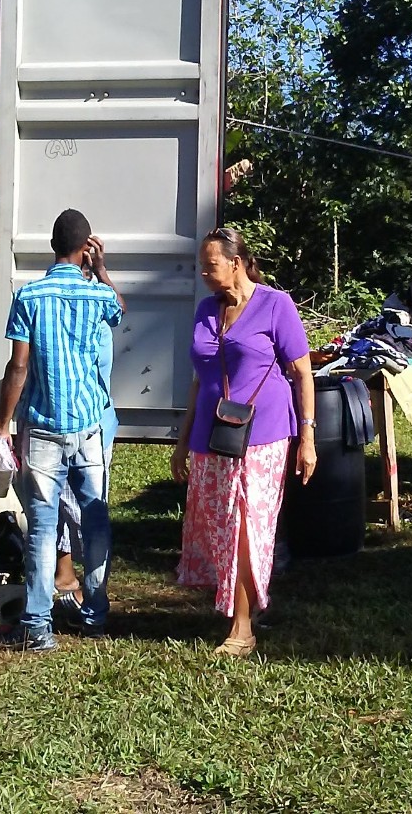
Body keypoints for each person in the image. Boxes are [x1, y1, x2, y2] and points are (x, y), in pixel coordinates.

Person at [172, 228, 317, 658]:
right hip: (212, 434)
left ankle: (242, 627)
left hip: (264, 434)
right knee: (222, 524)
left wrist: (307, 436)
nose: (203, 273)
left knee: (246, 525)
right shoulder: (206, 310)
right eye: (201, 266)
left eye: (210, 265)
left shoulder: (276, 305)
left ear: (236, 263)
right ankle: (242, 605)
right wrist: (182, 440)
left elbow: (303, 373)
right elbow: (199, 381)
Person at [0, 209, 125, 652]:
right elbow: (120, 309)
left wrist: (3, 424)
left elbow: (18, 366)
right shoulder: (97, 294)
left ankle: (37, 625)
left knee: (42, 527)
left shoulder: (29, 295)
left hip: (42, 428)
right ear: (86, 247)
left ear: (52, 245)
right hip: (88, 429)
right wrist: (101, 269)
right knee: (95, 521)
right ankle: (96, 615)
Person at [52, 264, 120, 625]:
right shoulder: (97, 308)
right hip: (79, 423)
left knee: (82, 511)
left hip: (89, 425)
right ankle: (68, 579)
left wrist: (100, 271)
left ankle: (91, 598)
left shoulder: (92, 316)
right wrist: (101, 272)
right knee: (65, 506)